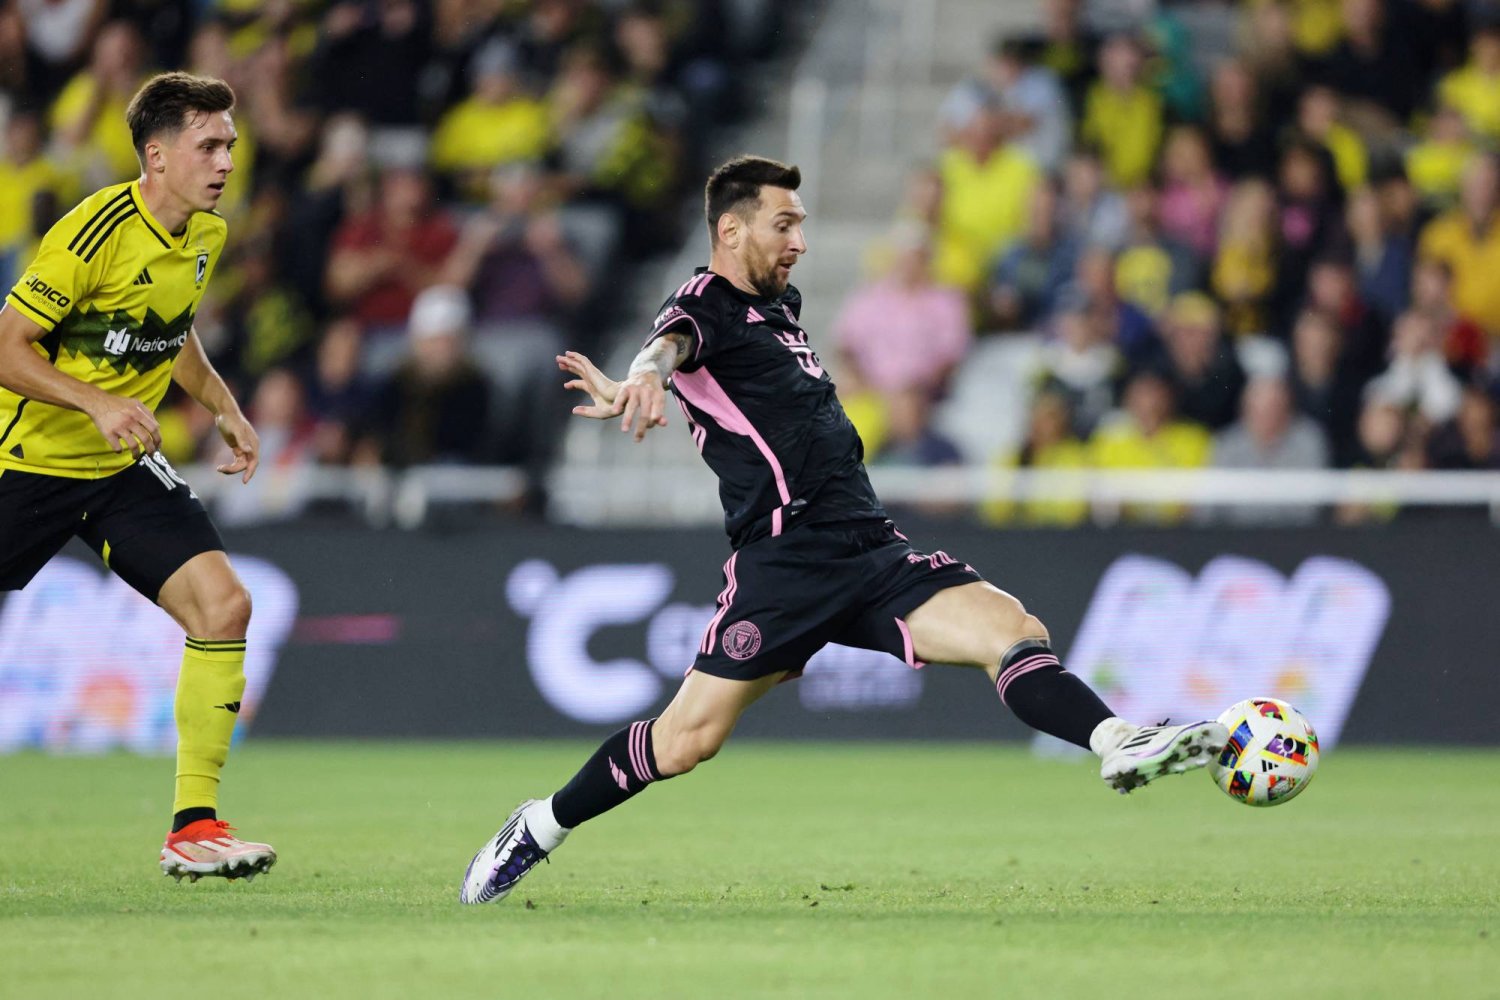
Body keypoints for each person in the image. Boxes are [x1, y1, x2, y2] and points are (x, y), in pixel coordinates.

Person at [458, 156, 1229, 905]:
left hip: (869, 548)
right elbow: (669, 344)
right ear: (731, 231)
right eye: (783, 225)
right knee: (685, 742)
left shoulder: (779, 309)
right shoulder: (704, 303)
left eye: (800, 225)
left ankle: (1116, 741)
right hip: (787, 563)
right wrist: (645, 376)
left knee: (1012, 628)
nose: (799, 242)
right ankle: (540, 824)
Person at [0, 71, 274, 883]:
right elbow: (7, 348)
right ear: (157, 156)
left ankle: (194, 828)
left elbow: (168, 329)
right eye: (209, 146)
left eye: (230, 144)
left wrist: (223, 405)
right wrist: (96, 403)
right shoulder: (92, 233)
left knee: (224, 605)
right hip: (26, 465)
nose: (227, 161)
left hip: (119, 469)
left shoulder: (205, 234)